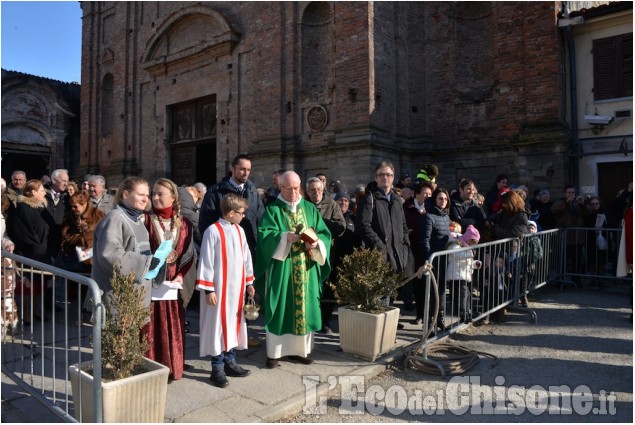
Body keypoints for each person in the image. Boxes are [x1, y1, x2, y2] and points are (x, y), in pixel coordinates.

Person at [255, 171, 331, 369]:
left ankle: (301, 351)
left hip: (306, 267)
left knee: (305, 308)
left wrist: (316, 244)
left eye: (297, 188)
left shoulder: (309, 208)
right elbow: (264, 236)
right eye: (289, 188)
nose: (294, 192)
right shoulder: (273, 209)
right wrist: (284, 237)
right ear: (280, 187)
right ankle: (275, 353)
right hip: (282, 267)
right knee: (280, 307)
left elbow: (324, 234)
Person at [197, 193, 255, 387]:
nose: (243, 216)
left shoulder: (239, 230)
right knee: (218, 328)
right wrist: (208, 290)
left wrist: (249, 283)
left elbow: (246, 257)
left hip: (237, 290)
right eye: (241, 213)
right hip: (219, 291)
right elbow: (205, 260)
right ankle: (217, 369)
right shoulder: (213, 231)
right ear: (230, 213)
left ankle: (230, 362)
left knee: (234, 325)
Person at [142, 178, 195, 381]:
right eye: (153, 194)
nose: (154, 198)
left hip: (172, 285)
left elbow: (188, 252)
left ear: (173, 197)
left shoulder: (184, 224)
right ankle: (151, 367)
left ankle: (172, 365)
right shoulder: (145, 220)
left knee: (172, 324)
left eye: (159, 194)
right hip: (151, 283)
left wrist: (181, 274)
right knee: (151, 326)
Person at [91, 177, 156, 312]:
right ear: (125, 195)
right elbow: (109, 255)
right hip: (117, 297)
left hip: (134, 295)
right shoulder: (115, 218)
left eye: (147, 195)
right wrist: (146, 262)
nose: (145, 199)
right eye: (140, 195)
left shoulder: (138, 220)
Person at [198, 154, 264, 260]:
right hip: (226, 249)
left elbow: (261, 218)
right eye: (242, 169)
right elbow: (206, 222)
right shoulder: (216, 192)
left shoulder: (253, 192)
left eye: (248, 170)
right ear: (232, 169)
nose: (246, 173)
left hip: (250, 248)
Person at [356, 161, 413, 277]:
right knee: (383, 295)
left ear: (393, 177)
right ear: (376, 178)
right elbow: (363, 226)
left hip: (400, 256)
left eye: (388, 174)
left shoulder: (397, 200)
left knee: (399, 294)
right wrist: (380, 246)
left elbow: (403, 226)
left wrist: (405, 245)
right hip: (379, 258)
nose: (385, 177)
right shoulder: (369, 199)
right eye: (381, 175)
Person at [305, 177, 346, 334]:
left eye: (319, 189)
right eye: (312, 190)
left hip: (326, 252)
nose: (316, 193)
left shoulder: (332, 205)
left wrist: (320, 223)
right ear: (308, 191)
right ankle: (309, 320)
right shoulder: (303, 205)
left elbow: (340, 226)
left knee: (327, 288)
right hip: (306, 252)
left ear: (323, 190)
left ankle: (324, 321)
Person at [420, 187, 451, 331]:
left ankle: (440, 318)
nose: (443, 201)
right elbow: (424, 240)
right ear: (434, 200)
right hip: (433, 260)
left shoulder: (446, 216)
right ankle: (429, 324)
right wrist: (428, 259)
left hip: (444, 258)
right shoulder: (428, 217)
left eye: (445, 199)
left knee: (442, 291)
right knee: (431, 293)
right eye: (440, 198)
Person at [403, 181, 434, 323]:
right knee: (415, 283)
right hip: (411, 250)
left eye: (430, 194)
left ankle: (427, 315)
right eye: (425, 194)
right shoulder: (406, 207)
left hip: (427, 251)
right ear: (417, 194)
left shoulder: (431, 209)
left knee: (427, 284)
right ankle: (418, 313)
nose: (427, 196)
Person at [59, 190, 105, 273]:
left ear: (84, 204)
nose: (73, 209)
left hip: (92, 259)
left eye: (75, 207)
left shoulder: (98, 215)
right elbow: (65, 236)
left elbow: (103, 235)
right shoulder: (69, 216)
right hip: (73, 259)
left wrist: (86, 236)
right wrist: (81, 239)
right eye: (71, 206)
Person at [6, 179, 50, 264]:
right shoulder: (23, 209)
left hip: (43, 255)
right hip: (31, 257)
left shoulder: (41, 209)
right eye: (42, 190)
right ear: (34, 192)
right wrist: (38, 247)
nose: (44, 193)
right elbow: (23, 233)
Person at [446, 224, 482, 323]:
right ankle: (463, 313)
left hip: (464, 274)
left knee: (467, 294)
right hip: (457, 274)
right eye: (472, 241)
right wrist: (469, 254)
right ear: (468, 239)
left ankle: (467, 312)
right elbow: (455, 255)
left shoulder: (467, 247)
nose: (473, 244)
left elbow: (468, 261)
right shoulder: (456, 243)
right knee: (462, 295)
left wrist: (476, 264)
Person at [43, 168, 70, 262]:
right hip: (44, 241)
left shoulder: (67, 198)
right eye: (63, 181)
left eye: (67, 181)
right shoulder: (42, 194)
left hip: (59, 241)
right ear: (54, 180)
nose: (66, 184)